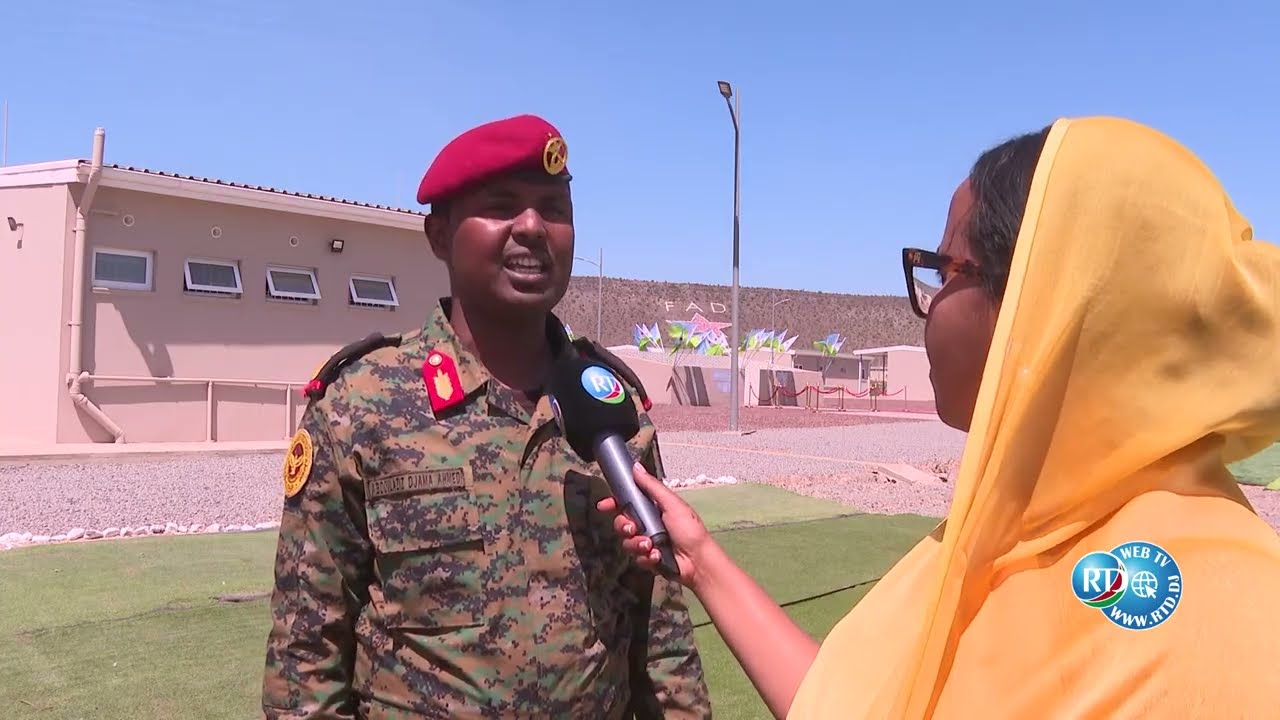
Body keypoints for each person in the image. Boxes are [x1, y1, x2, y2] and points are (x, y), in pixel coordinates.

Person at [599, 115, 1280, 719]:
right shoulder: (1024, 524)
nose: (928, 305)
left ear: (1036, 299)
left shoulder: (1221, 620)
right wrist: (704, 562)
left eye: (945, 268)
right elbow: (848, 706)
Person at [262, 114, 712, 719]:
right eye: (501, 207)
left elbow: (661, 631)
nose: (532, 227)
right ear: (439, 235)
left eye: (554, 209)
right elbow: (305, 654)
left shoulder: (610, 406)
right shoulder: (361, 404)